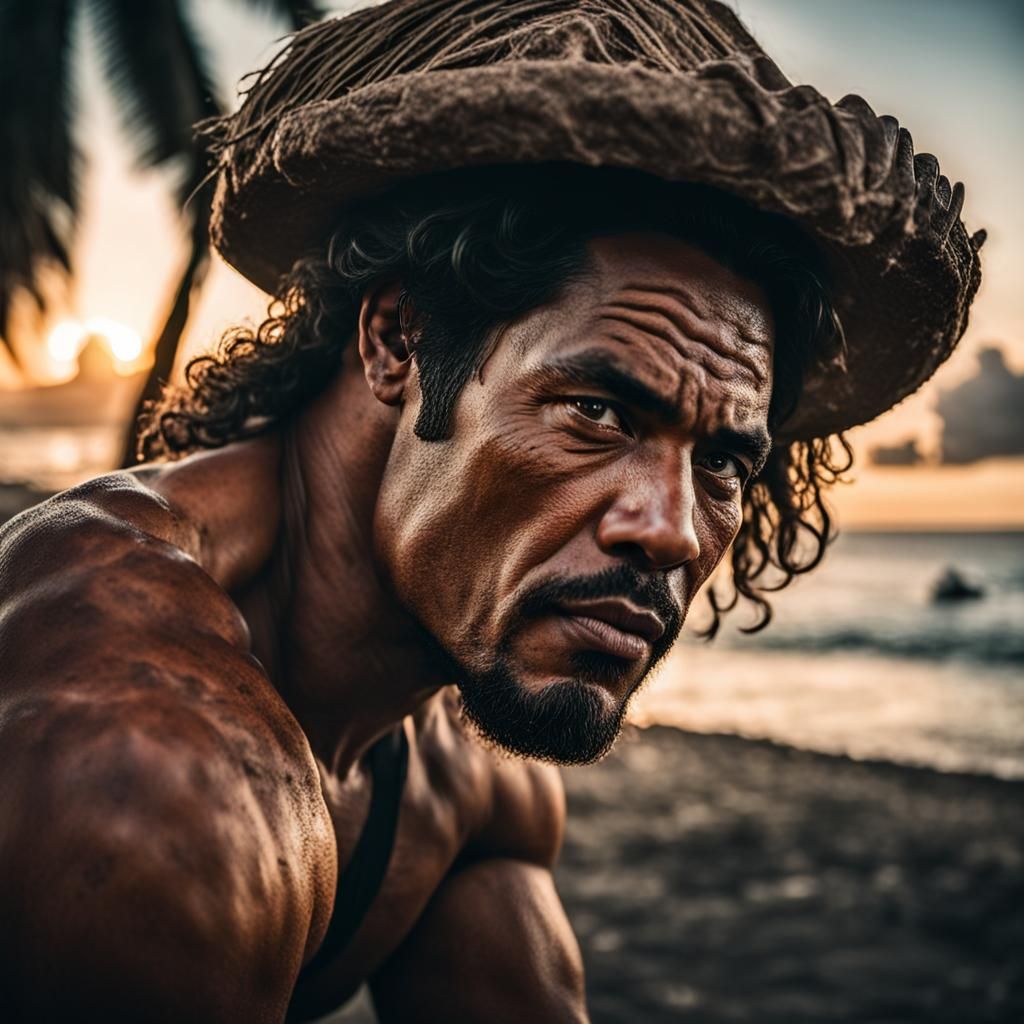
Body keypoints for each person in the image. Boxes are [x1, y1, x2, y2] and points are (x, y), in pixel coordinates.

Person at [0, 1, 983, 1021]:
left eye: (724, 460)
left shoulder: (460, 779)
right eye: (599, 411)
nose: (673, 529)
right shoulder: (140, 767)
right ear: (398, 341)